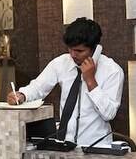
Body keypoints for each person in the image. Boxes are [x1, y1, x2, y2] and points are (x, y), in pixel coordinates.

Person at [8, 18, 123, 147]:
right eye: (70, 49)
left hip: (96, 147)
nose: (73, 55)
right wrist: (22, 95)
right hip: (64, 145)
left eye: (79, 51)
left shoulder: (112, 71)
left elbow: (109, 114)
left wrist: (91, 81)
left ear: (94, 49)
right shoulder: (60, 63)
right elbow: (37, 87)